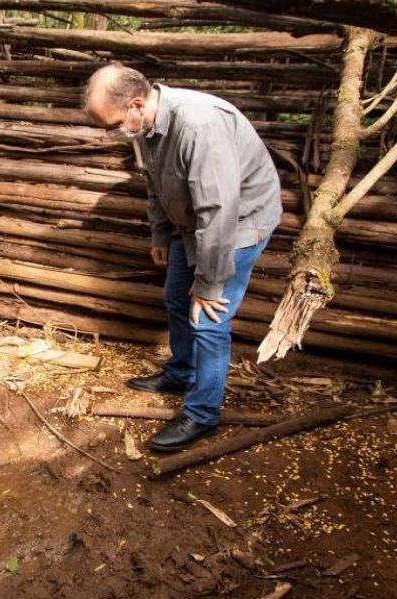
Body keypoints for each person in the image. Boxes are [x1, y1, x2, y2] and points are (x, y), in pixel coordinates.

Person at [83, 63, 283, 452]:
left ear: (137, 103)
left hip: (237, 224)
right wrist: (161, 232)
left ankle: (203, 413)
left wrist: (208, 284)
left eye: (113, 125)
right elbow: (155, 182)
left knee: (209, 317)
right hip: (193, 225)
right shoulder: (144, 125)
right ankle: (182, 372)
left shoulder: (200, 126)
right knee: (176, 298)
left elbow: (219, 211)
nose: (112, 133)